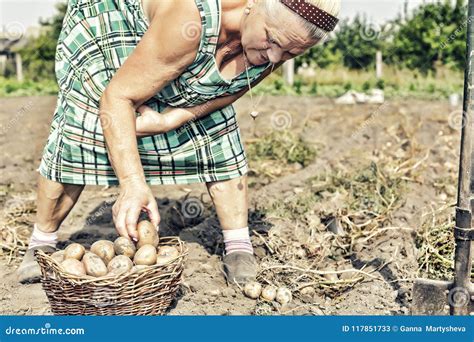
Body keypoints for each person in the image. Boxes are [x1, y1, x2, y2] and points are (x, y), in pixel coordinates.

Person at [17, 0, 341, 284]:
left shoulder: (284, 37)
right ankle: (41, 240)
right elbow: (117, 97)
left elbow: (231, 88)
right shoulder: (190, 19)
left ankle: (239, 247)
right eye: (272, 41)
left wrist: (175, 117)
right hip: (113, 19)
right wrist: (132, 184)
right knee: (87, 123)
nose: (274, 56)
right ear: (253, 3)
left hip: (180, 43)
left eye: (290, 52)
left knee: (216, 124)